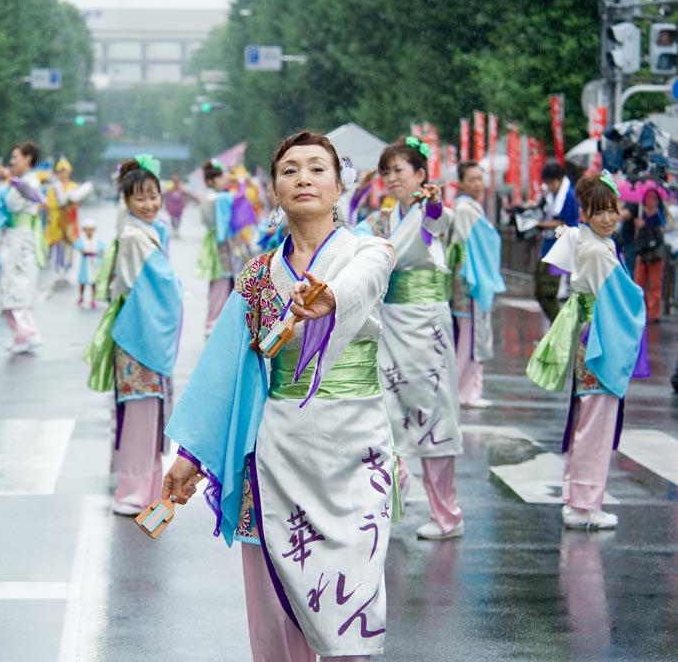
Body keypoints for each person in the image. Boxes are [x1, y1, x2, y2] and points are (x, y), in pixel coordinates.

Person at [165, 131, 398, 662]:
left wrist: (328, 298)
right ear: (273, 189)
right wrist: (191, 455)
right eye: (290, 170)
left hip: (355, 449)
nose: (303, 179)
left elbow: (361, 282)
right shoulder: (256, 277)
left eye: (317, 168)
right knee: (272, 607)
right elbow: (225, 368)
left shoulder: (368, 251)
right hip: (275, 452)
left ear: (340, 185)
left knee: (351, 598)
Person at [354, 136, 464, 540]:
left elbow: (438, 219)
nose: (392, 178)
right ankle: (391, 495)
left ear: (421, 176)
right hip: (389, 322)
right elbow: (350, 239)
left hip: (424, 323)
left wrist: (432, 202)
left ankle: (446, 513)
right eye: (387, 172)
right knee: (382, 408)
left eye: (399, 170)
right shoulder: (382, 219)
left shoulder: (431, 212)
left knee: (432, 411)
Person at [527, 170, 648, 529]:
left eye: (612, 209)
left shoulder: (588, 241)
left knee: (587, 421)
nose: (608, 218)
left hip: (592, 333)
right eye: (599, 211)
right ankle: (584, 505)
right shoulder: (596, 249)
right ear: (585, 214)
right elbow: (627, 297)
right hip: (601, 337)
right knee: (595, 426)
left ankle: (577, 498)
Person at [84, 157, 182, 515]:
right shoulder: (133, 237)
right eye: (140, 198)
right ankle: (132, 491)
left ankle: (145, 487)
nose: (150, 204)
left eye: (154, 196)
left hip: (142, 331)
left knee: (147, 411)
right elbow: (162, 284)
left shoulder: (145, 231)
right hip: (138, 334)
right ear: (126, 200)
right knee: (141, 412)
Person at [448, 161, 506, 408]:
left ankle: (468, 388)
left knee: (469, 337)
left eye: (479, 178)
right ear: (461, 183)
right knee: (469, 338)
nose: (476, 183)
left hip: (472, 276)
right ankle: (465, 391)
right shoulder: (465, 209)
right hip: (470, 278)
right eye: (471, 179)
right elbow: (468, 244)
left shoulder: (471, 207)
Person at [0, 142, 45, 354]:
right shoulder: (18, 182)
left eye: (15, 157)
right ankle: (19, 336)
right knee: (8, 284)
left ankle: (30, 332)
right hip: (12, 235)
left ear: (27, 158)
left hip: (24, 239)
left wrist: (11, 179)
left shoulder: (31, 181)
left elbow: (33, 195)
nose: (12, 161)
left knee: (20, 284)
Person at [533, 160, 579, 322]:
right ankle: (558, 326)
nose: (550, 187)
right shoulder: (553, 195)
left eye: (552, 183)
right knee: (542, 288)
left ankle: (560, 327)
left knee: (547, 290)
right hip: (550, 245)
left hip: (561, 247)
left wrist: (540, 225)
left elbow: (564, 224)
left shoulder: (569, 196)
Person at [197, 160, 235, 335]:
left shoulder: (211, 196)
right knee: (221, 280)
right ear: (211, 180)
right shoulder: (218, 197)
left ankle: (214, 320)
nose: (224, 179)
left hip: (215, 240)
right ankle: (213, 321)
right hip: (219, 242)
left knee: (219, 281)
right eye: (220, 176)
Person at [633, 186, 668, 324]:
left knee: (655, 284)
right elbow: (637, 236)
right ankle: (641, 310)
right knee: (639, 283)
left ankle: (654, 313)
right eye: (648, 198)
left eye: (653, 198)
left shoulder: (660, 215)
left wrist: (646, 226)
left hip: (655, 254)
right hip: (642, 253)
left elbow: (661, 233)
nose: (650, 201)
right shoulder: (641, 213)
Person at [45, 157, 81, 286]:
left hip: (69, 222)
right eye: (60, 171)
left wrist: (70, 204)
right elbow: (50, 204)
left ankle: (66, 271)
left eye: (65, 171)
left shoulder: (74, 186)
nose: (63, 174)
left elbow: (77, 203)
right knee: (56, 247)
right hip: (57, 222)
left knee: (68, 247)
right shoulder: (53, 188)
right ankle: (57, 271)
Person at [74, 219, 105, 308]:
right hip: (86, 264)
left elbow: (102, 252)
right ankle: (81, 297)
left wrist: (97, 254)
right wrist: (87, 252)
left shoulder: (97, 241)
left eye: (91, 229)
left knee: (93, 282)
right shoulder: (82, 241)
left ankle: (93, 299)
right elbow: (80, 249)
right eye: (87, 229)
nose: (89, 231)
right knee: (83, 282)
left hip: (95, 264)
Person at [163, 172, 197, 237]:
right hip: (171, 207)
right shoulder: (170, 187)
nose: (175, 181)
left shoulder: (181, 187)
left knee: (178, 219)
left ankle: (177, 229)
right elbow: (164, 194)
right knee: (172, 219)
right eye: (174, 179)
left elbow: (187, 193)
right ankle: (174, 228)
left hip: (179, 207)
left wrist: (195, 198)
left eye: (176, 179)